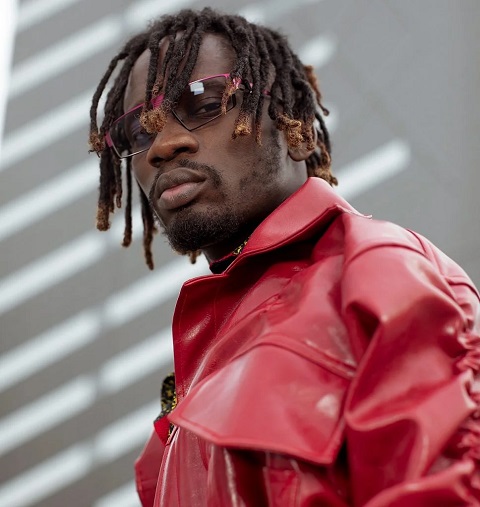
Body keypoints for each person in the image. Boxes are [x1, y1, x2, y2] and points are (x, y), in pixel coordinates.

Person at [88, 7, 480, 507]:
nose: (162, 146)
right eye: (139, 133)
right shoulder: (202, 364)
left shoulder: (379, 272)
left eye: (204, 102)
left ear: (298, 130)